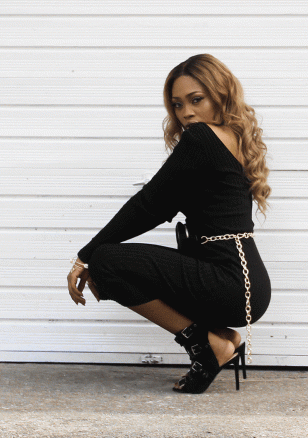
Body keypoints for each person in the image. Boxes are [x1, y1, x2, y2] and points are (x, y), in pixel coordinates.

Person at [67, 54, 271, 394]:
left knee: (107, 261)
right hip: (246, 283)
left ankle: (207, 346)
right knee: (114, 265)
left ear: (221, 95)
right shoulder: (231, 137)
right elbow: (159, 204)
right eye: (177, 105)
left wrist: (85, 256)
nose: (186, 113)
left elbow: (149, 205)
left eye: (196, 100)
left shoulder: (202, 138)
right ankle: (223, 337)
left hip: (230, 282)